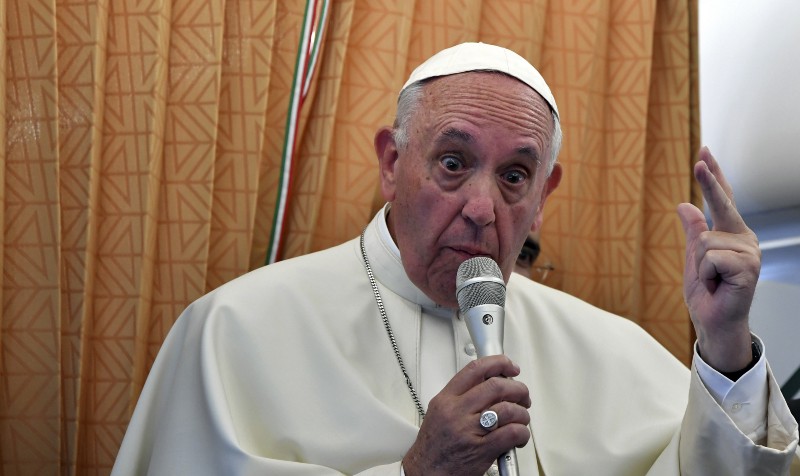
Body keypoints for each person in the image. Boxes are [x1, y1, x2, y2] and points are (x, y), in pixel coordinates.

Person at [111, 42, 800, 475]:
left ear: (543, 196)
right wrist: (418, 472)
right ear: (392, 163)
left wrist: (724, 344)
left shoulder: (612, 348)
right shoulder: (235, 329)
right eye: (452, 162)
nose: (481, 207)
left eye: (514, 176)